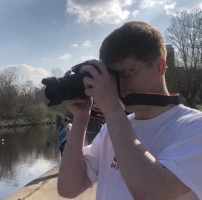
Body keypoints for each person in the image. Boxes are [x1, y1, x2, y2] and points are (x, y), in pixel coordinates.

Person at [57, 21, 202, 200]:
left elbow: (151, 193)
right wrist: (80, 118)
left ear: (160, 67)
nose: (119, 85)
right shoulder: (113, 128)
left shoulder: (194, 126)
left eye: (128, 73)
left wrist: (113, 110)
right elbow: (68, 188)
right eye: (113, 77)